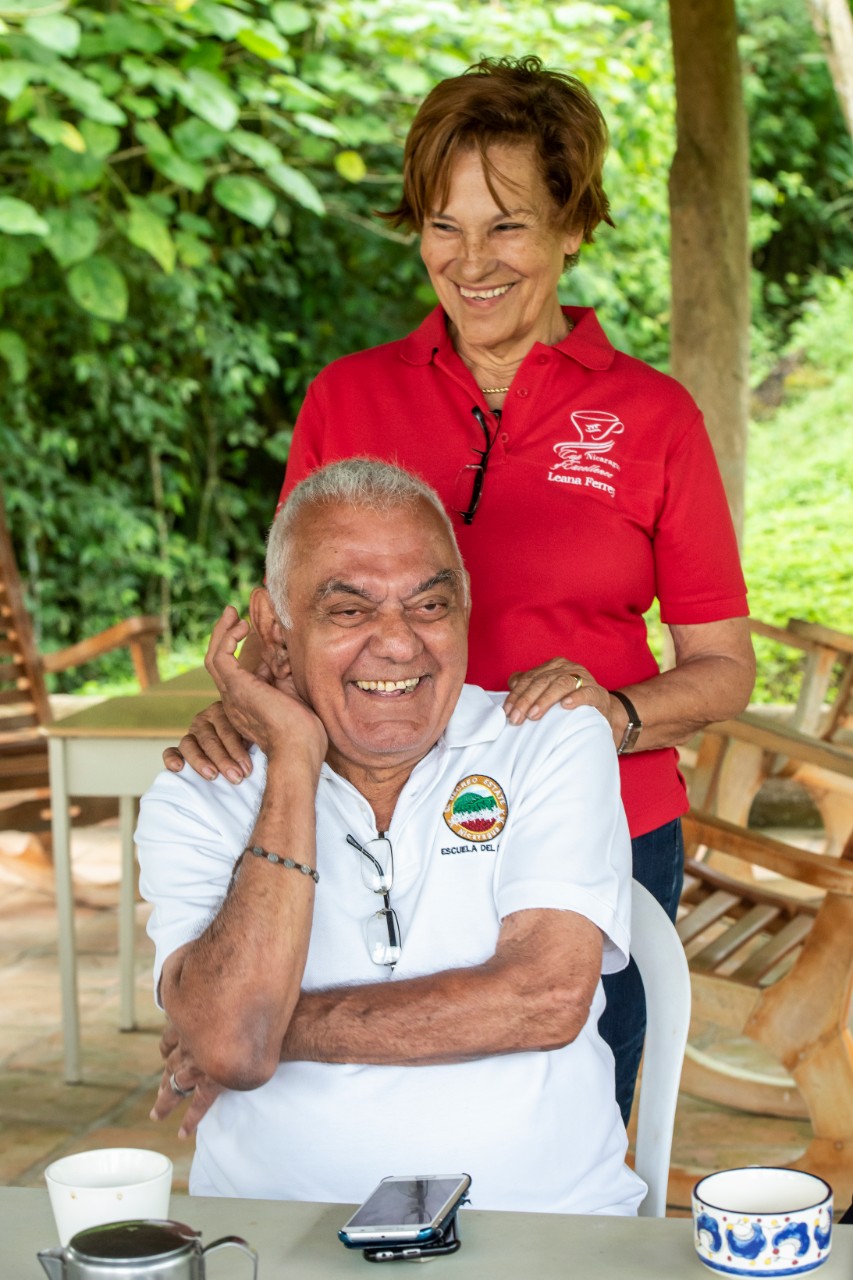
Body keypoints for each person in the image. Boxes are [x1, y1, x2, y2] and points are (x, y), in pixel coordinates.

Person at [165, 55, 755, 1122]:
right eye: (444, 225)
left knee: (563, 1116)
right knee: (348, 1108)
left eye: (509, 224)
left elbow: (723, 668)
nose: (470, 260)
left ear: (573, 226)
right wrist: (240, 707)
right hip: (369, 828)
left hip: (598, 823)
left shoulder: (653, 417)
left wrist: (611, 713)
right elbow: (287, 626)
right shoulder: (346, 396)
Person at [138, 458, 644, 1215]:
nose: (400, 644)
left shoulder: (550, 738)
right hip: (275, 1230)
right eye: (348, 611)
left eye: (430, 605)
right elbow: (232, 1044)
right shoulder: (199, 790)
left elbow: (541, 998)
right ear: (274, 628)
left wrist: (269, 1028)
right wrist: (293, 764)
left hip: (539, 1229)